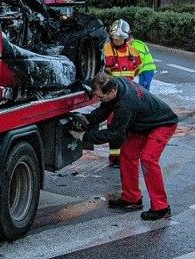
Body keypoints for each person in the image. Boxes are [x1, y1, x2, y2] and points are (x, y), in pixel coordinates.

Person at [69, 72, 178, 221]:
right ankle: (131, 198)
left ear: (112, 91)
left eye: (101, 97)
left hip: (162, 123)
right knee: (127, 154)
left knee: (148, 158)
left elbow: (114, 134)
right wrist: (87, 120)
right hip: (143, 124)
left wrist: (84, 137)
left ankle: (161, 207)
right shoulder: (114, 84)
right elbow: (104, 110)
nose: (99, 100)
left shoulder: (126, 103)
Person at [103, 19, 141, 166]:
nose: (117, 40)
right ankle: (115, 157)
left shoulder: (133, 51)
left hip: (129, 94)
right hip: (112, 95)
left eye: (119, 37)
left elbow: (137, 68)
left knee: (129, 125)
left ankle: (127, 155)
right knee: (114, 125)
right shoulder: (106, 50)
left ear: (126, 37)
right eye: (114, 37)